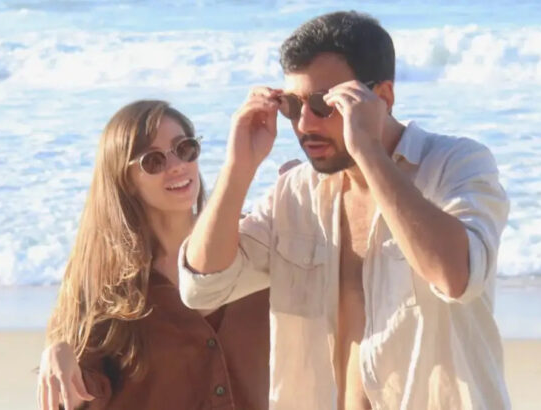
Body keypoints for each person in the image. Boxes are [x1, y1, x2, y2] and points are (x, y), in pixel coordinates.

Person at [179, 11, 511, 410]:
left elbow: (458, 277)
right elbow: (202, 287)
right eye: (292, 105)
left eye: (324, 104)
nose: (304, 124)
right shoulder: (295, 193)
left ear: (383, 98)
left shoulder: (457, 164)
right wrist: (238, 167)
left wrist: (367, 150)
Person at [37, 100, 272, 410]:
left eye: (185, 149)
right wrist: (61, 350)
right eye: (153, 161)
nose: (177, 165)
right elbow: (79, 390)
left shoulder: (254, 245)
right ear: (125, 180)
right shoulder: (111, 288)